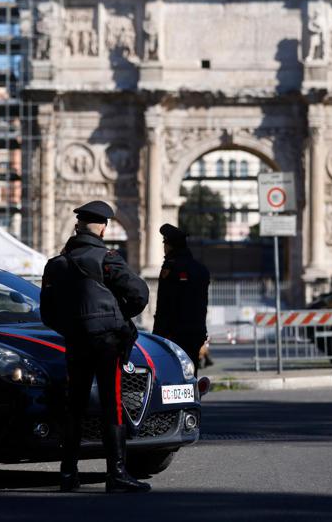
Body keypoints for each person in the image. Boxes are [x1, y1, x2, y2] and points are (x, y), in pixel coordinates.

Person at [40, 200, 150, 493]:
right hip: (107, 342)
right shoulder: (106, 258)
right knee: (112, 404)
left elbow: (47, 314)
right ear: (102, 227)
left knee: (74, 406)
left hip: (76, 342)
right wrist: (119, 316)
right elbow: (139, 293)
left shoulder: (56, 264)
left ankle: (68, 473)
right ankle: (116, 474)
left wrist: (74, 328)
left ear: (78, 226)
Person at [152, 223, 210, 374]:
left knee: (171, 375)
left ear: (170, 246)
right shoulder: (201, 269)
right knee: (191, 374)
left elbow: (164, 304)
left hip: (173, 335)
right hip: (196, 332)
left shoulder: (170, 269)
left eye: (165, 244)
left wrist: (157, 335)